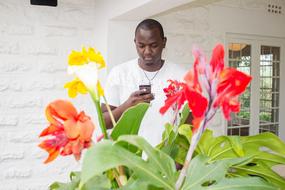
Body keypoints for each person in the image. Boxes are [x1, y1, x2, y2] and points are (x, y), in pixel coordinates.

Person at [101, 18, 186, 146]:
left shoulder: (181, 75)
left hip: (165, 159)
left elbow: (190, 125)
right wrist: (127, 106)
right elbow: (103, 122)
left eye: (153, 45)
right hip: (128, 159)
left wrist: (179, 160)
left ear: (164, 42)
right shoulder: (119, 73)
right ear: (135, 42)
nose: (147, 51)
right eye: (141, 46)